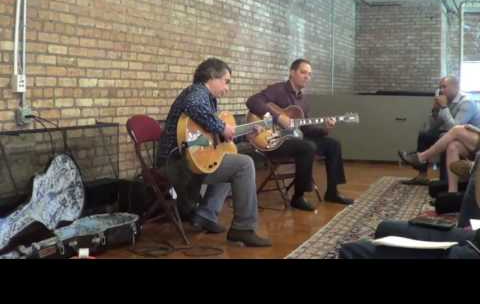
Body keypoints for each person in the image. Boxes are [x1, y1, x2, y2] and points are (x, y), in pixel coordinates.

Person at [157, 58, 272, 247]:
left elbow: (211, 140)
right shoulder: (197, 92)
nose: (227, 88)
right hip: (177, 164)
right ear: (212, 76)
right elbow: (195, 107)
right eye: (226, 81)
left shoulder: (208, 100)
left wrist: (245, 135)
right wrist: (221, 126)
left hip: (187, 159)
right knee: (244, 165)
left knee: (229, 158)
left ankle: (206, 215)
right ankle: (243, 228)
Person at [246, 58, 353, 212]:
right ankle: (298, 197)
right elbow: (252, 101)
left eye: (309, 74)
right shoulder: (278, 90)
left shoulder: (303, 100)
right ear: (292, 72)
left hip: (293, 139)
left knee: (333, 144)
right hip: (272, 140)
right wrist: (279, 117)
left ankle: (332, 192)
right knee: (307, 147)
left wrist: (326, 129)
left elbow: (306, 130)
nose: (306, 77)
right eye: (303, 72)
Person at [338, 152, 480, 259]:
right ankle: (422, 160)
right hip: (475, 235)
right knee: (385, 228)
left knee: (351, 251)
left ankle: (421, 158)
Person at [400, 76, 480, 186]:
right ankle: (422, 176)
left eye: (444, 86)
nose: (441, 90)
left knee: (445, 138)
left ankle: (443, 179)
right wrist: (435, 110)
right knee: (425, 134)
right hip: (451, 133)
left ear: (455, 87)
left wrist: (444, 107)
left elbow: (456, 127)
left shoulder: (467, 102)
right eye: (440, 87)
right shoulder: (447, 101)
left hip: (469, 138)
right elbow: (431, 127)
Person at [399, 124, 480, 192]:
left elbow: (453, 123)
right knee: (453, 146)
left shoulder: (467, 105)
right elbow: (432, 125)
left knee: (456, 130)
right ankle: (452, 192)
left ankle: (422, 157)